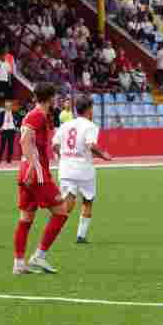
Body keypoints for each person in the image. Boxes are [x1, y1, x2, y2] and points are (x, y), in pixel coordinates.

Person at [15, 82, 71, 275]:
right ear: (51, 98)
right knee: (61, 212)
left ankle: (19, 263)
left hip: (26, 170)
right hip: (35, 172)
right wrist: (32, 165)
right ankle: (39, 255)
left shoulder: (37, 115)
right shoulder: (38, 115)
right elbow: (24, 140)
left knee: (26, 218)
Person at [52, 95, 113, 245]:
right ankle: (81, 235)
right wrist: (103, 155)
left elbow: (54, 145)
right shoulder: (90, 126)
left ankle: (52, 232)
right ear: (89, 109)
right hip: (83, 170)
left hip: (66, 169)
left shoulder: (65, 125)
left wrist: (65, 155)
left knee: (67, 203)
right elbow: (91, 145)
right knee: (87, 200)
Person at [0, 99, 20, 164]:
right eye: (7, 106)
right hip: (4, 130)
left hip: (12, 130)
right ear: (5, 106)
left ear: (11, 106)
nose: (8, 107)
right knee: (2, 145)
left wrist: (17, 127)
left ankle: (9, 160)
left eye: (9, 106)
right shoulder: (1, 113)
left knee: (11, 146)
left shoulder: (15, 113)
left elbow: (18, 121)